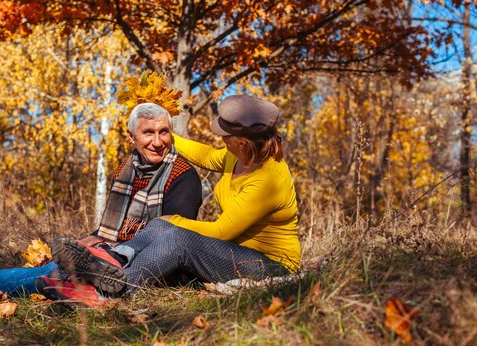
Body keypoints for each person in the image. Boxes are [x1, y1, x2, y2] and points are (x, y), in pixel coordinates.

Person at [0, 103, 203, 308]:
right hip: (116, 255)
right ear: (131, 136)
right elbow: (111, 229)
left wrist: (102, 253)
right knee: (57, 265)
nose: (157, 141)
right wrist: (91, 240)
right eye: (148, 132)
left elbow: (170, 241)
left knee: (59, 270)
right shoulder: (126, 171)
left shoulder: (183, 177)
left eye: (164, 132)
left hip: (144, 269)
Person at [41, 94, 300, 299]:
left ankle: (120, 286)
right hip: (235, 253)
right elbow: (207, 156)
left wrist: (173, 220)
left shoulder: (269, 179)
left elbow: (222, 231)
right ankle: (110, 261)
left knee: (175, 236)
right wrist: (163, 134)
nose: (219, 138)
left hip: (267, 265)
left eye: (224, 136)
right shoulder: (239, 156)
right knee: (162, 226)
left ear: (241, 142)